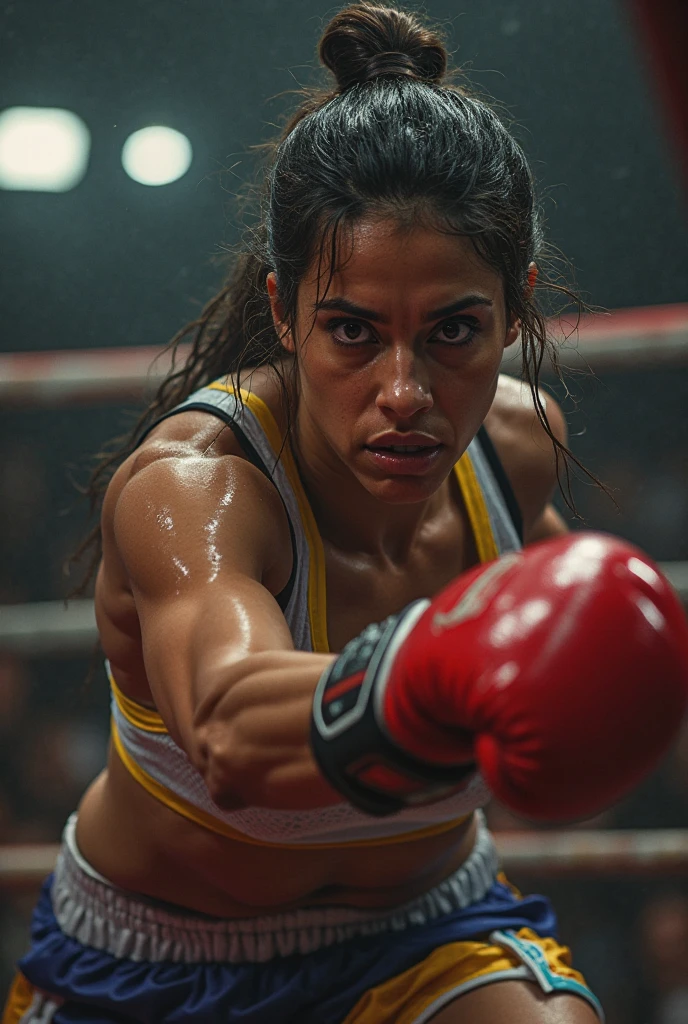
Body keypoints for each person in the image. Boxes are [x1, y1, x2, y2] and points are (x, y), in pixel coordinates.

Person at [4, 4, 688, 1022]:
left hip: (421, 931)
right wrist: (432, 671)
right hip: (156, 966)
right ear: (283, 313)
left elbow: (578, 658)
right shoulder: (198, 487)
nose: (404, 389)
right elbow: (229, 725)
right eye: (353, 331)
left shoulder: (511, 456)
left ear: (515, 310)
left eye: (454, 329)